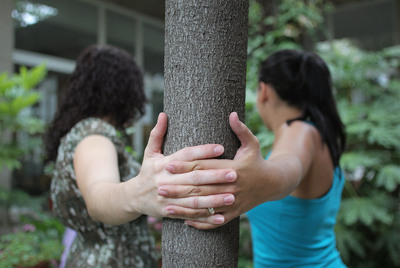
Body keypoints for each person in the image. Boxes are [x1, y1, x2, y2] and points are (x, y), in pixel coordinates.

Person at [44, 45, 237, 267]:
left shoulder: (81, 133)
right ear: (124, 89)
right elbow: (98, 196)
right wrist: (138, 194)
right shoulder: (93, 135)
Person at [159, 49, 347, 267]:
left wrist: (260, 177)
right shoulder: (320, 137)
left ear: (264, 91)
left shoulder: (301, 131)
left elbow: (288, 169)